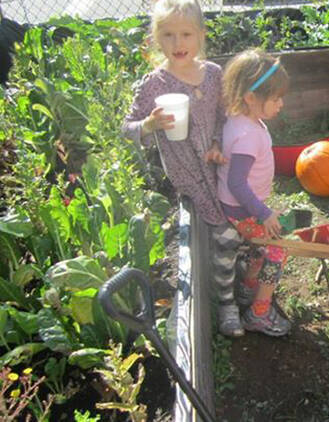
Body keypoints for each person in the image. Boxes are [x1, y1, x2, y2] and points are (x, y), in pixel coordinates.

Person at [121, 0, 244, 337]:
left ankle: (233, 270)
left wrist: (219, 143)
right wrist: (148, 124)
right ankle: (227, 304)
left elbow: (223, 117)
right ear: (156, 39)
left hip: (218, 167)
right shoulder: (154, 84)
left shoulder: (214, 75)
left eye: (186, 34)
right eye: (169, 35)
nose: (178, 44)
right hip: (187, 174)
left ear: (201, 35)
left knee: (235, 225)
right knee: (225, 233)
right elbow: (126, 128)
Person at [215, 49, 292, 337]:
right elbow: (237, 183)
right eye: (275, 98)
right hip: (243, 210)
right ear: (250, 98)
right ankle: (259, 312)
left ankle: (248, 288)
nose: (281, 104)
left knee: (263, 247)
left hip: (240, 208)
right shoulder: (247, 136)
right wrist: (264, 212)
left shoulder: (238, 120)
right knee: (277, 248)